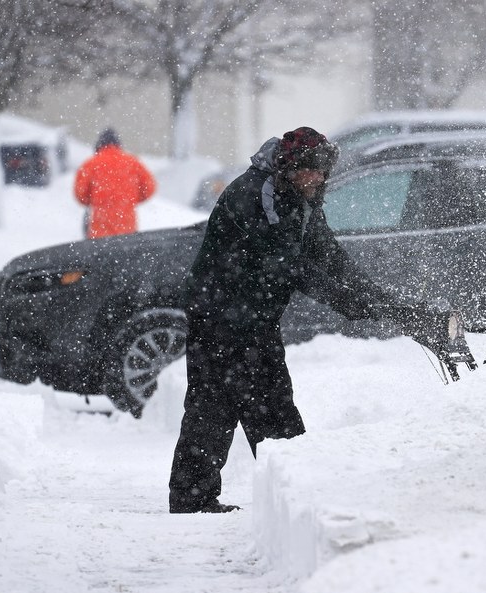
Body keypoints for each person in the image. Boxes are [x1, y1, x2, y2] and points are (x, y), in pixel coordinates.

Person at [168, 127, 398, 514]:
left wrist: (379, 299)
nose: (319, 178)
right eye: (311, 171)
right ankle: (299, 497)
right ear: (290, 166)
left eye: (323, 172)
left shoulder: (300, 196)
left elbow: (329, 256)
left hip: (247, 317)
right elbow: (289, 270)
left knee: (225, 405)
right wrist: (353, 304)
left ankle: (197, 497)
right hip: (224, 316)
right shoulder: (255, 196)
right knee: (259, 408)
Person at [74, 128, 156, 239]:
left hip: (99, 231)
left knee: (101, 255)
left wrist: (94, 200)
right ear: (118, 145)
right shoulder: (132, 162)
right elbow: (149, 187)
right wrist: (130, 199)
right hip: (127, 230)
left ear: (99, 145)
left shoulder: (91, 164)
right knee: (126, 255)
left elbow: (80, 194)